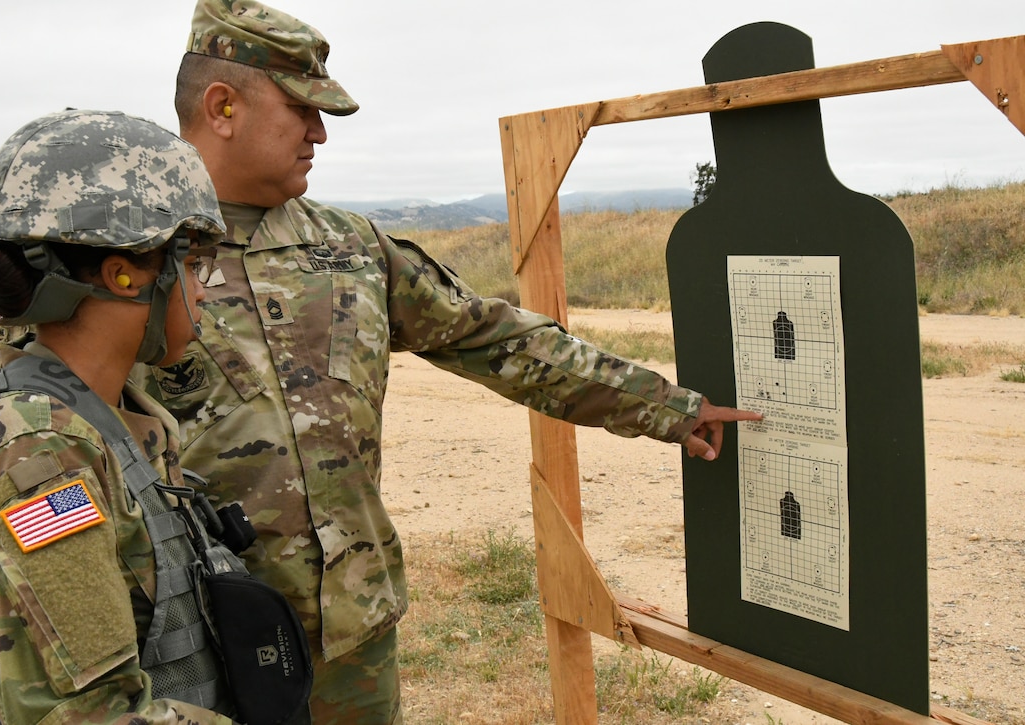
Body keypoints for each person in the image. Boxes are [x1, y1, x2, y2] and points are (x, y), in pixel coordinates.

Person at [140, 1, 763, 721]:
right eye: (302, 109)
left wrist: (663, 405)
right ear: (223, 106)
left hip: (353, 634)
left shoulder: (349, 249)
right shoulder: (124, 260)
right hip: (199, 647)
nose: (318, 132)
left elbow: (494, 339)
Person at [0, 109, 241, 724]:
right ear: (123, 275)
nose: (206, 290)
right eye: (196, 264)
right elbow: (88, 713)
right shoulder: (35, 452)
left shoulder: (109, 416)